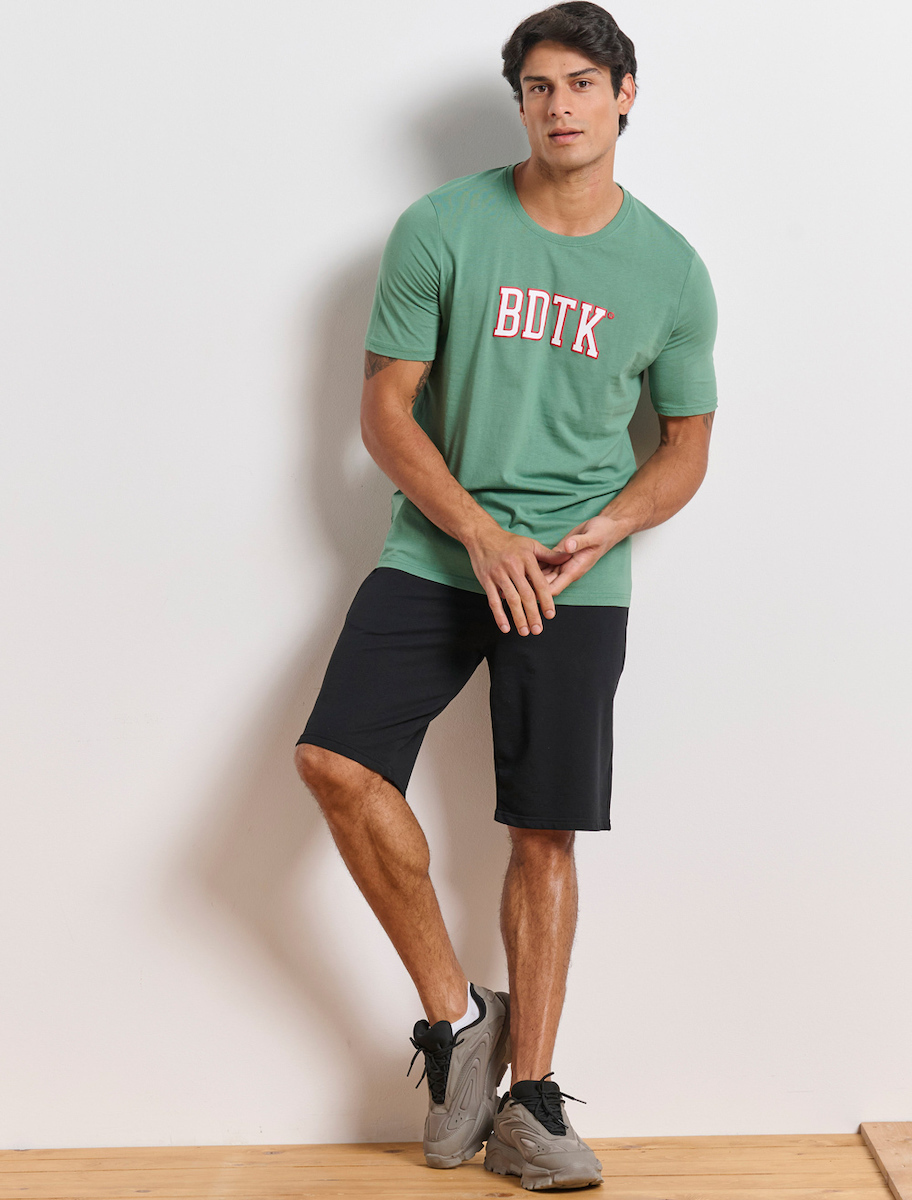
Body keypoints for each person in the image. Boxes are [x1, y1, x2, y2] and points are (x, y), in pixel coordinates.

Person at [294, 1, 718, 1190]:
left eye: (582, 82)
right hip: (439, 550)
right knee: (335, 763)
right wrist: (476, 531)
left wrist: (610, 526)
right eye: (539, 87)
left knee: (544, 830)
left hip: (576, 578)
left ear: (624, 94)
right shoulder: (443, 227)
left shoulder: (671, 269)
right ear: (519, 102)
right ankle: (457, 1018)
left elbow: (686, 446)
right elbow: (385, 410)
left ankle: (530, 1101)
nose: (560, 105)